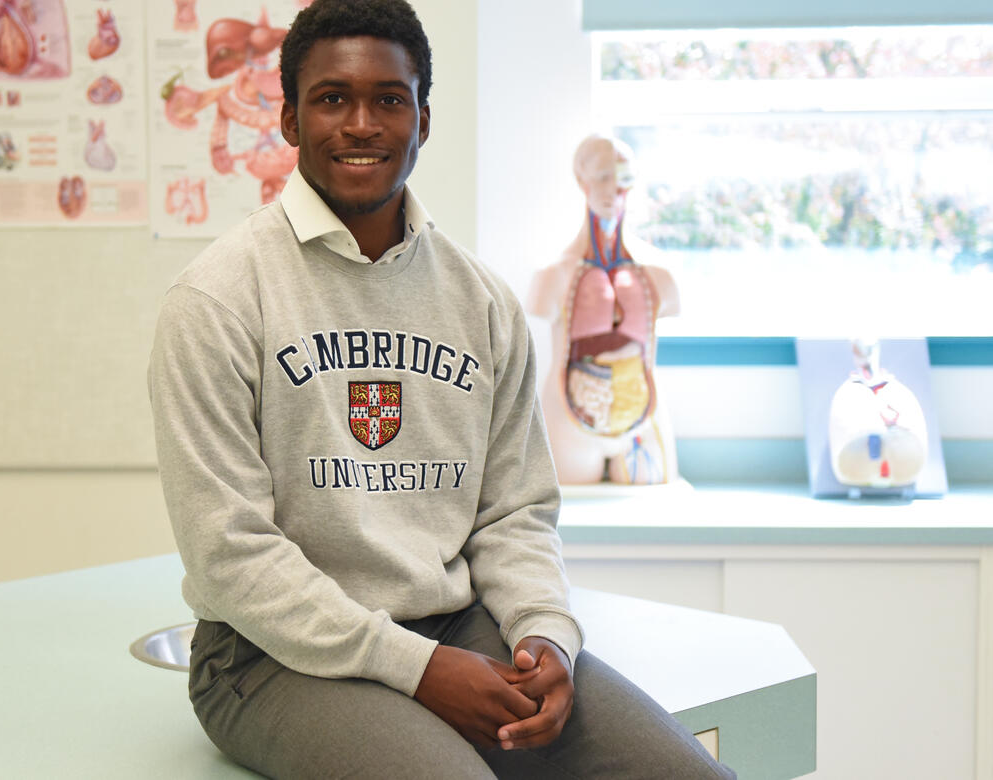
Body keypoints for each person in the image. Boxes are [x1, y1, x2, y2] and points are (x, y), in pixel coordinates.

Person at [148, 2, 735, 777]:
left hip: (458, 628)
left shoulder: (481, 302)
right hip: (266, 657)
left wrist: (544, 634)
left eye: (389, 99)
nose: (362, 124)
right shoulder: (218, 301)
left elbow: (516, 514)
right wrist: (416, 668)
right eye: (332, 99)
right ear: (289, 120)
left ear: (424, 119)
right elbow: (231, 556)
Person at [527, 134, 680, 485]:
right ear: (581, 181)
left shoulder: (658, 275)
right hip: (569, 424)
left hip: (642, 421)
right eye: (602, 177)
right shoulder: (553, 275)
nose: (614, 190)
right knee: (567, 520)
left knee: (653, 522)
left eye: (623, 179)